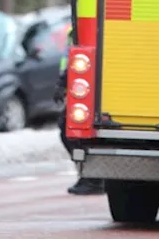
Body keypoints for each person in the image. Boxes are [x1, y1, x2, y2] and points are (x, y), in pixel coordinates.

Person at [59, 28, 104, 195]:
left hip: (85, 85)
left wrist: (63, 83)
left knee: (76, 132)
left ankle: (93, 177)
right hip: (78, 84)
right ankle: (90, 175)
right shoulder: (74, 27)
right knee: (70, 130)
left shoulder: (81, 25)